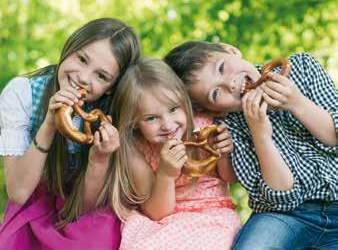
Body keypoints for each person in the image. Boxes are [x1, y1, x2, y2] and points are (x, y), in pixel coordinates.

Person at [164, 41, 338, 249]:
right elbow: (283, 199)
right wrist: (260, 135)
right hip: (285, 216)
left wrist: (296, 102)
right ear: (216, 111)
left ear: (231, 50)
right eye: (215, 94)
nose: (230, 84)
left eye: (221, 68)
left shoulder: (302, 68)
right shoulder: (227, 128)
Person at [0, 18, 140, 249]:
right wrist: (49, 125)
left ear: (112, 87)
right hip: (33, 204)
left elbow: (86, 207)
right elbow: (19, 192)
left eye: (101, 76)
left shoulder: (110, 116)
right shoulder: (22, 93)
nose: (84, 77)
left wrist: (100, 158)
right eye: (82, 59)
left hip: (85, 209)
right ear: (70, 47)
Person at [109, 57, 241, 250]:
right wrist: (165, 175)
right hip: (162, 221)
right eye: (152, 118)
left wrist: (224, 151)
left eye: (173, 109)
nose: (168, 125)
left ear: (184, 100)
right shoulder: (136, 148)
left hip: (212, 216)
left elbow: (229, 176)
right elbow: (156, 213)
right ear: (135, 121)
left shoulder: (205, 125)